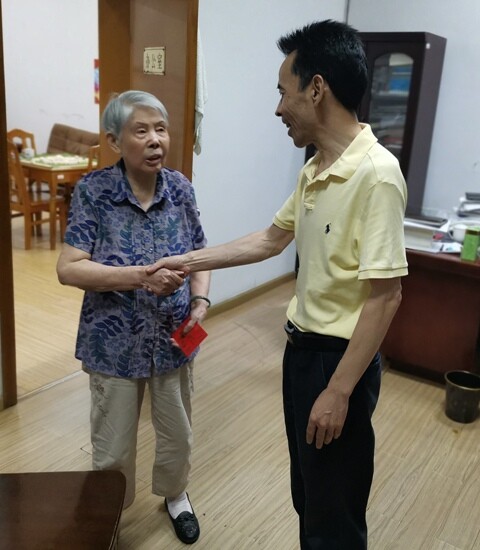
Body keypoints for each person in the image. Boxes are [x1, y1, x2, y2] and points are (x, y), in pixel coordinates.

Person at [146, 20, 408, 549]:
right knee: (308, 493)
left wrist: (339, 391)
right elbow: (270, 239)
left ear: (317, 88)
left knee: (334, 512)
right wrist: (186, 260)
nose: (278, 108)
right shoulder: (316, 168)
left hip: (339, 362)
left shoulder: (376, 174)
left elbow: (386, 297)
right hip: (301, 354)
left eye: (284, 93)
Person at [56, 90, 210, 545]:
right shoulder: (94, 192)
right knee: (113, 439)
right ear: (114, 141)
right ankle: (109, 512)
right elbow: (69, 268)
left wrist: (200, 302)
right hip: (114, 341)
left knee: (178, 431)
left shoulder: (180, 188)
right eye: (141, 131)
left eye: (160, 129)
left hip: (174, 336)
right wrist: (140, 277)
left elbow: (199, 254)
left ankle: (176, 496)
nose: (155, 140)